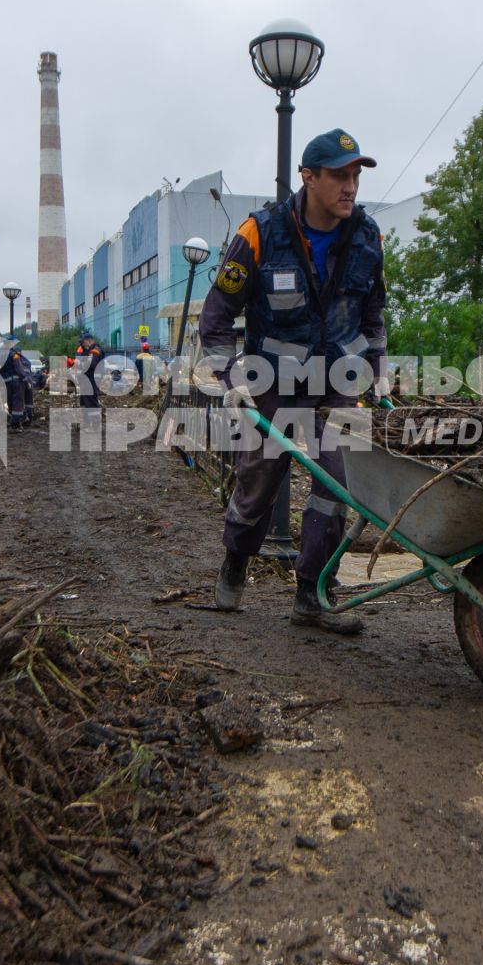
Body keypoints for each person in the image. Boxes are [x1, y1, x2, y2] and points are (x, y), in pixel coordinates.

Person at [200, 127, 387, 635]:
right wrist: (231, 379)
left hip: (336, 382)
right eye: (339, 176)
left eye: (355, 176)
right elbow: (216, 320)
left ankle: (311, 592)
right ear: (309, 176)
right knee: (259, 478)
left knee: (336, 483)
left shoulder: (368, 236)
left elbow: (373, 316)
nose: (350, 187)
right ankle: (236, 562)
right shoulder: (259, 234)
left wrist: (379, 370)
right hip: (272, 382)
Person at [0, 341, 34, 429]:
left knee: (11, 402)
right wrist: (26, 381)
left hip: (7, 383)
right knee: (18, 403)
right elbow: (20, 370)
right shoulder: (16, 356)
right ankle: (16, 424)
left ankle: (18, 419)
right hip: (18, 382)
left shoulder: (0, 356)